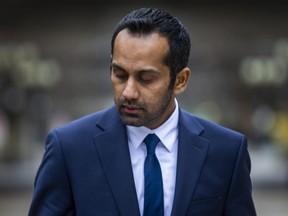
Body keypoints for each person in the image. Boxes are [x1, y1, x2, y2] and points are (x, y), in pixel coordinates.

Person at [28, 7, 256, 216]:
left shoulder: (227, 152)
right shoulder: (68, 148)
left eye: (146, 79)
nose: (128, 92)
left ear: (180, 80)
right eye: (119, 74)